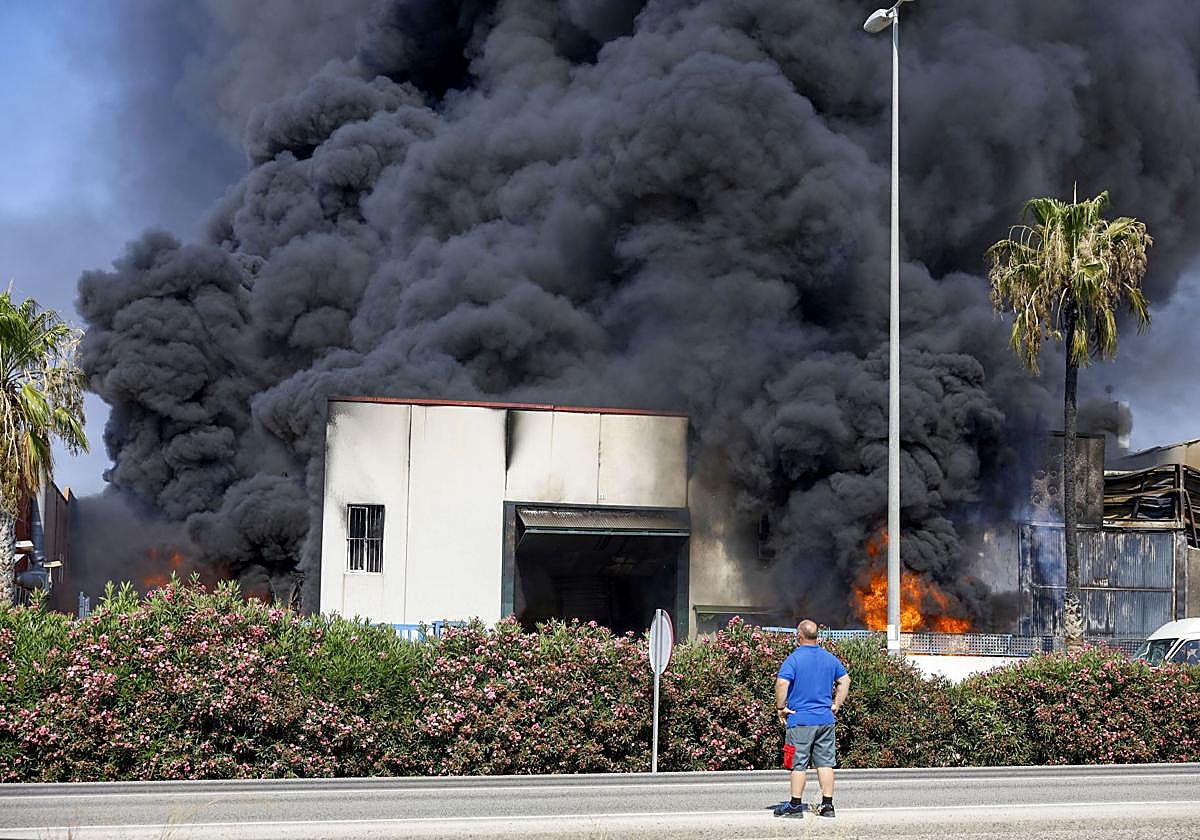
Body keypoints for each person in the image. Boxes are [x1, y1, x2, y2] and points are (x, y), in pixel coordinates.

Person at [772, 619, 850, 818]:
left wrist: (781, 708)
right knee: (825, 763)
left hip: (800, 721)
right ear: (817, 636)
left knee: (798, 764)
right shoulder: (829, 658)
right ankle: (827, 806)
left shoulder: (794, 659)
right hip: (825, 720)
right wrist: (836, 704)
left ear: (799, 636)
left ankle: (795, 806)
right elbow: (844, 680)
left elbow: (782, 683)